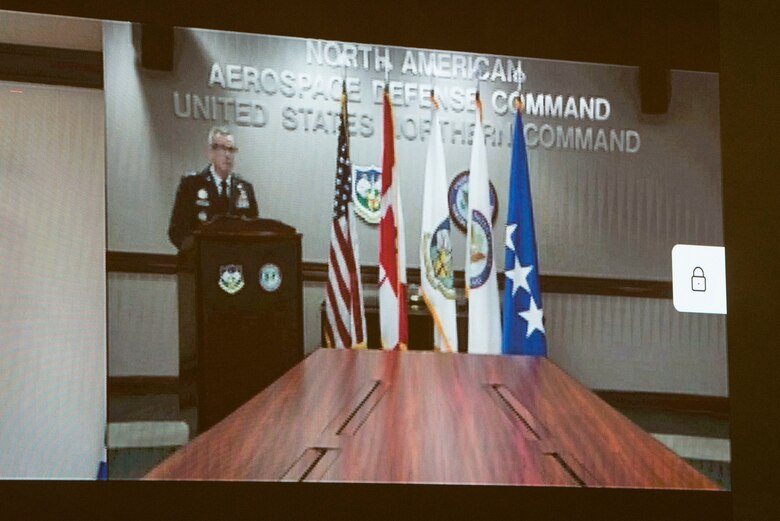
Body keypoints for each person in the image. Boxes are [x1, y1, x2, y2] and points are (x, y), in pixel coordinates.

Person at [168, 126, 259, 249]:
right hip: (201, 260)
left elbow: (254, 230)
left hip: (236, 261)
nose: (228, 155)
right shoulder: (191, 185)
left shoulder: (245, 189)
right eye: (222, 148)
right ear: (211, 152)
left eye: (231, 150)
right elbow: (177, 230)